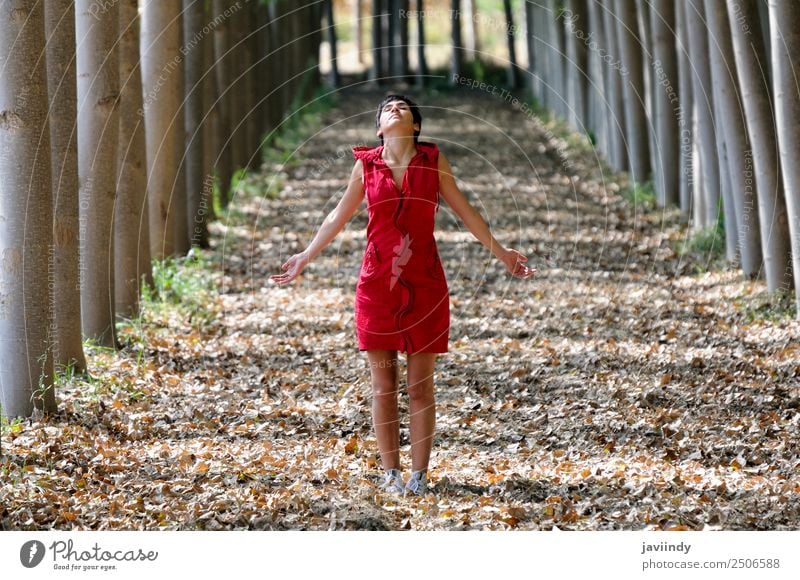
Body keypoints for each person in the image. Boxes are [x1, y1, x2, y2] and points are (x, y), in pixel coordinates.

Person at [270, 94, 536, 497]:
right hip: (377, 285)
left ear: (415, 125)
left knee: (419, 386)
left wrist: (501, 252)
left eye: (403, 107)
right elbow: (336, 215)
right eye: (387, 108)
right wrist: (305, 255)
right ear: (379, 127)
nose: (395, 109)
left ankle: (419, 476)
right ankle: (390, 473)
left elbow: (465, 210)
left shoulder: (434, 160)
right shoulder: (365, 165)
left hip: (425, 282)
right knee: (383, 385)